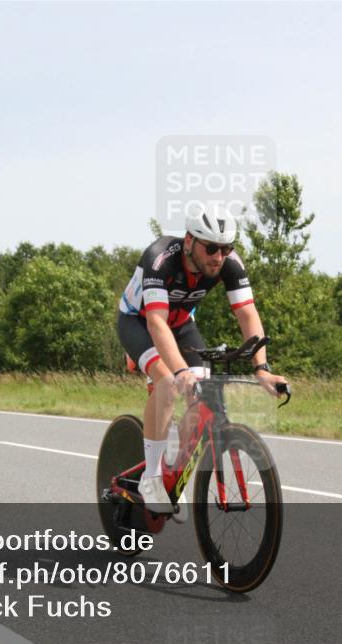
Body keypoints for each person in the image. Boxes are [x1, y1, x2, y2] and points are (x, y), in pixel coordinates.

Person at [117, 204, 287, 519]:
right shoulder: (160, 258)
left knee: (202, 396)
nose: (218, 257)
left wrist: (262, 369)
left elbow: (247, 315)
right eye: (211, 248)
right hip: (139, 322)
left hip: (181, 325)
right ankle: (151, 480)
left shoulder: (229, 264)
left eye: (226, 248)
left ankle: (172, 469)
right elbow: (156, 322)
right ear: (189, 241)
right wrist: (179, 370)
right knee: (168, 383)